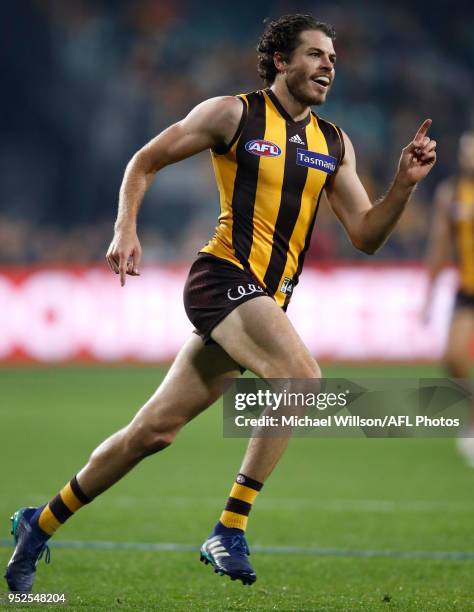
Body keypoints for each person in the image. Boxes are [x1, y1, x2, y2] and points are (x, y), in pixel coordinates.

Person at [5, 14, 437, 591]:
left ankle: (40, 522)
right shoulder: (232, 114)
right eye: (314, 54)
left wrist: (403, 186)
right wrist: (125, 228)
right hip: (222, 276)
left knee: (151, 433)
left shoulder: (334, 143)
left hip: (264, 301)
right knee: (301, 378)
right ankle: (230, 527)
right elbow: (145, 160)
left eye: (332, 57)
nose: (328, 65)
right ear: (281, 61)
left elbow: (365, 233)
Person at [424, 131, 474, 465]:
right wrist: (429, 295)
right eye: (466, 151)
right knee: (453, 357)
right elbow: (440, 245)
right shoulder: (452, 193)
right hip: (467, 289)